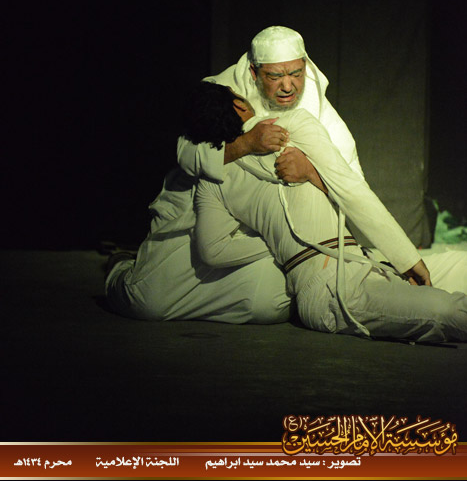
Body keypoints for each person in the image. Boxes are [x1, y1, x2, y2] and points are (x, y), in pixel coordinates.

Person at [105, 26, 379, 323]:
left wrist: (311, 173)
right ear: (254, 71)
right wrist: (246, 144)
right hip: (201, 213)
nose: (288, 86)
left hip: (266, 227)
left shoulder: (321, 111)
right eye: (275, 76)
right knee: (147, 301)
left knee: (271, 304)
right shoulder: (224, 90)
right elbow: (186, 153)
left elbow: (352, 187)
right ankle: (121, 265)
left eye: (295, 74)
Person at [187, 82, 467, 342]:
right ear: (239, 104)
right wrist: (408, 258)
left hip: (347, 272)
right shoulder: (291, 124)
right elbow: (350, 189)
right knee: (452, 311)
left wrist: (283, 242)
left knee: (457, 270)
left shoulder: (212, 179)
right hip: (336, 286)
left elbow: (213, 250)